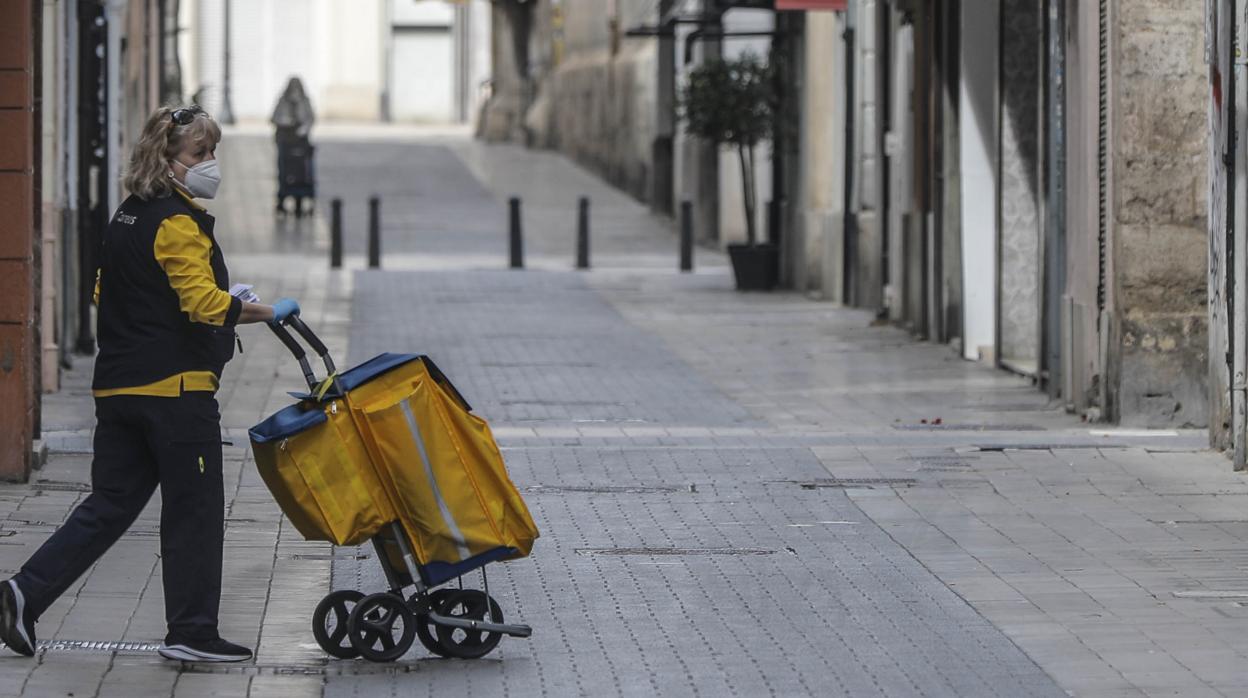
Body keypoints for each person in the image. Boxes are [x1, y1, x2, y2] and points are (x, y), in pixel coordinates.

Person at [0, 105, 301, 663]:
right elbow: (204, 305)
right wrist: (261, 309)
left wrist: (188, 305)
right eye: (199, 154)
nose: (210, 163)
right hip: (176, 394)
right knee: (196, 509)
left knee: (109, 506)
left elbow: (103, 293)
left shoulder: (127, 216)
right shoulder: (178, 222)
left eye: (212, 152)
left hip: (118, 390)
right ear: (167, 161)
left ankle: (24, 593)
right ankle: (193, 632)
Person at [270, 77, 316, 217]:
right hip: (285, 141)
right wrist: (285, 121)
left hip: (300, 143)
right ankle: (282, 201)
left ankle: (299, 201)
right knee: (284, 172)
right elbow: (274, 118)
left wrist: (303, 127)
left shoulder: (305, 101)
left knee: (301, 172)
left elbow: (310, 118)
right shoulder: (283, 101)